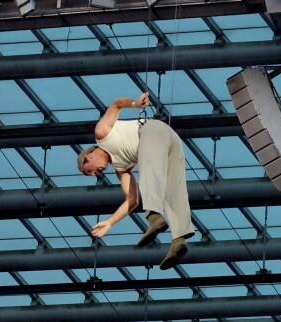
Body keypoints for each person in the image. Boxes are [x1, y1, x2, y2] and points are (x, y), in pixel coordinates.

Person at [77, 92, 195, 270]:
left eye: (89, 170)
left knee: (148, 169)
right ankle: (179, 240)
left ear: (89, 155)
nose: (94, 174)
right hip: (170, 139)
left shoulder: (101, 134)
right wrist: (110, 222)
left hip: (151, 130)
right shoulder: (121, 168)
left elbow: (116, 104)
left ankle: (154, 217)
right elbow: (132, 200)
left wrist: (136, 104)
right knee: (174, 189)